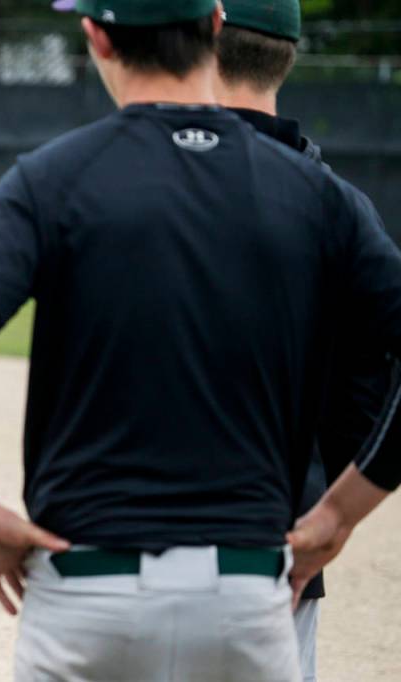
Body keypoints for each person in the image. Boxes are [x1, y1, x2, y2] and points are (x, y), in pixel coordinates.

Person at [0, 1, 401, 680]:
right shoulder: (313, 191)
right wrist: (341, 513)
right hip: (247, 593)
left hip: (85, 586)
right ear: (216, 26)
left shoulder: (51, 178)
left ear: (96, 37)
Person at [216, 2, 400, 679]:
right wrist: (333, 504)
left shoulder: (128, 183)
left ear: (203, 37)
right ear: (289, 52)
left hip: (130, 553)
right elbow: (371, 380)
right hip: (281, 543)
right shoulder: (335, 205)